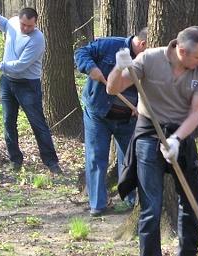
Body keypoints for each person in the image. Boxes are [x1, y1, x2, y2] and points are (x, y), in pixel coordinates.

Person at [108, 26, 198, 256]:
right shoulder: (149, 59)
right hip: (148, 134)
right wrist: (119, 67)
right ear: (182, 50)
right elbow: (112, 88)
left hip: (180, 134)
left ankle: (188, 252)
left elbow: (197, 112)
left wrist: (176, 139)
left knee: (192, 202)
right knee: (151, 208)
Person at [74, 28, 148, 217]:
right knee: (96, 157)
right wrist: (91, 68)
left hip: (129, 119)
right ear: (142, 44)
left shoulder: (150, 60)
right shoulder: (111, 45)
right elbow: (81, 53)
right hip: (98, 114)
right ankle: (97, 205)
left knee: (130, 159)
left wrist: (141, 107)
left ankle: (132, 200)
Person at [0, 8, 61, 173]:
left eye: (29, 26)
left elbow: (20, 65)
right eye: (23, 24)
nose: (25, 29)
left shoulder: (37, 39)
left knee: (37, 123)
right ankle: (15, 160)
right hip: (7, 82)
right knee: (8, 121)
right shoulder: (14, 23)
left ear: (35, 23)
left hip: (27, 85)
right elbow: (6, 26)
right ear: (20, 20)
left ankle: (51, 163)